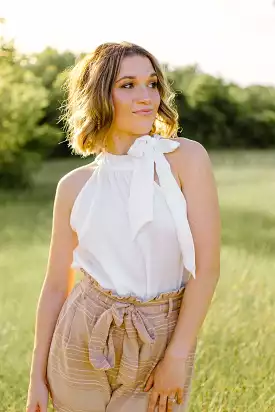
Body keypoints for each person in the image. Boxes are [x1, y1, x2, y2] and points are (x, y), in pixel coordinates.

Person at [26, 41, 221, 412]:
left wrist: (177, 355)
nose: (146, 96)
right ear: (100, 95)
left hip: (161, 336)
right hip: (82, 335)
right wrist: (36, 374)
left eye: (152, 83)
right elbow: (55, 286)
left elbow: (207, 267)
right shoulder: (74, 186)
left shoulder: (186, 159)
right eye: (128, 85)